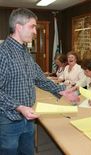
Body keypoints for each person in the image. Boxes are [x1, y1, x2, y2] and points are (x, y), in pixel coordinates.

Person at [0, 8, 65, 155]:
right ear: (18, 26)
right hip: (9, 121)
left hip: (28, 119)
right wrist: (18, 107)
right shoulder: (2, 53)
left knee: (28, 152)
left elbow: (39, 78)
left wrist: (60, 90)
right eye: (32, 26)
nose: (35, 31)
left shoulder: (25, 53)